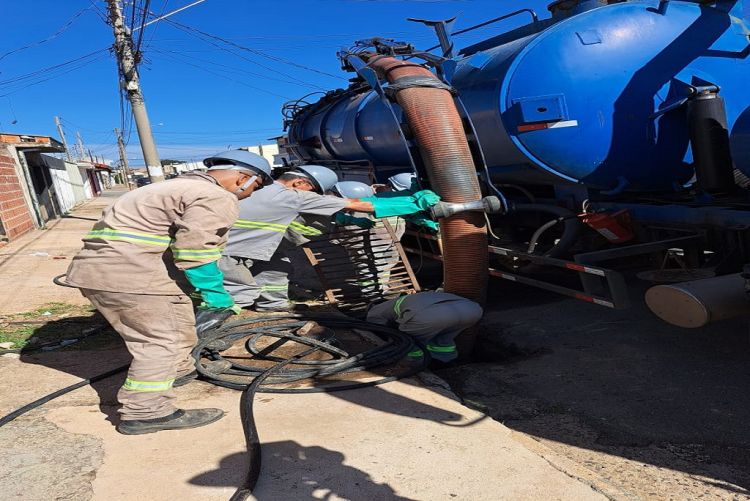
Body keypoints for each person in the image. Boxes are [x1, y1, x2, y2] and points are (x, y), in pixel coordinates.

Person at [64, 149, 272, 435]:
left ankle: (179, 371)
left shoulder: (164, 188)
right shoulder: (216, 195)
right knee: (162, 343)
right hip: (134, 276)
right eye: (255, 188)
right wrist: (214, 293)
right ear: (243, 178)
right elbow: (195, 248)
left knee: (175, 326)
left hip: (99, 273)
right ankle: (146, 412)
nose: (249, 195)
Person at [220, 165, 441, 311]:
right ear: (299, 183)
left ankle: (273, 306)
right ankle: (218, 333)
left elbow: (323, 216)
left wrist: (343, 220)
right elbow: (361, 205)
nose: (317, 195)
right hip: (230, 250)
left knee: (277, 269)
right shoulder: (294, 196)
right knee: (239, 291)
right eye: (315, 190)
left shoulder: (264, 192)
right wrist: (414, 203)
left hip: (254, 245)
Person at [366, 291, 483, 365]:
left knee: (408, 343)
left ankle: (415, 366)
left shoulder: (378, 309)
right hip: (473, 310)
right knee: (443, 338)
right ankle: (446, 361)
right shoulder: (417, 296)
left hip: (430, 316)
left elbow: (376, 325)